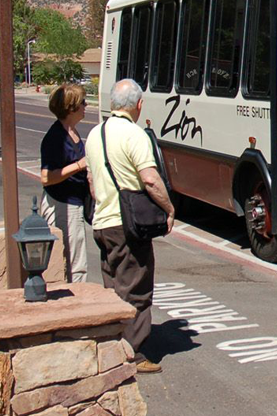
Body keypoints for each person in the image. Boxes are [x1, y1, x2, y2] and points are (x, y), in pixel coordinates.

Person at [85, 78, 174, 374]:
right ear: (138, 105)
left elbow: (93, 184)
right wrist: (169, 208)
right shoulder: (135, 136)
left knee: (113, 287)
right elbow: (150, 179)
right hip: (127, 226)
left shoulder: (95, 134)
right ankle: (131, 354)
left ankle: (112, 345)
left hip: (102, 222)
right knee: (135, 288)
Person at [40, 83, 92, 283]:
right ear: (71, 107)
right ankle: (75, 300)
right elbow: (46, 177)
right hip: (63, 204)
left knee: (76, 256)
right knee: (72, 261)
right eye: (82, 102)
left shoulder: (73, 132)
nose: (86, 106)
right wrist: (79, 165)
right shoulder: (56, 137)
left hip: (75, 202)